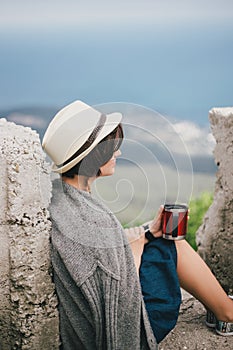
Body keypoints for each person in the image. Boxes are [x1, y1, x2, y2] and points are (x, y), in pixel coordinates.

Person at [42, 100, 233, 350]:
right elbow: (118, 286)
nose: (118, 153)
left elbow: (107, 256)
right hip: (132, 326)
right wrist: (144, 243)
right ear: (94, 154)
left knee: (156, 234)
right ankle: (227, 313)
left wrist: (144, 233)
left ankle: (218, 306)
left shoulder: (62, 198)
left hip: (100, 316)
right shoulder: (92, 218)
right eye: (112, 147)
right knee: (170, 244)